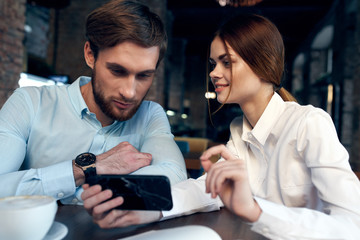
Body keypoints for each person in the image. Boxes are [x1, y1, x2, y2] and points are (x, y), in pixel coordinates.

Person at [81, 13, 360, 239]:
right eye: (214, 63)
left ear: (263, 64)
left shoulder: (308, 123)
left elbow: (352, 226)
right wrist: (148, 206)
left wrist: (255, 211)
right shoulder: (240, 131)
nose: (214, 73)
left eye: (227, 62)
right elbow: (207, 189)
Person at [0, 0, 187, 204]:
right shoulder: (29, 102)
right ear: (90, 55)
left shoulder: (150, 115)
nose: (130, 92)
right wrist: (85, 169)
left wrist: (81, 191)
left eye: (144, 76)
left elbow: (174, 179)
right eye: (117, 71)